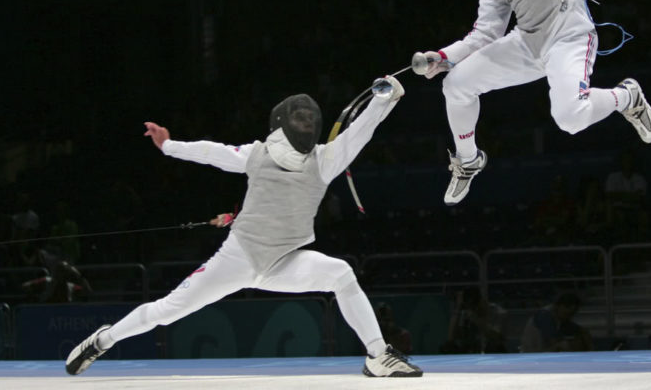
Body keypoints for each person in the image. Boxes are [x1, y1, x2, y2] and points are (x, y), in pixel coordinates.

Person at [65, 77, 422, 378]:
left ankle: (378, 356)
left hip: (284, 261)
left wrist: (386, 98)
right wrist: (169, 146)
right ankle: (103, 340)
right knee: (168, 309)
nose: (302, 126)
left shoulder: (325, 160)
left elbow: (362, 130)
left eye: (306, 122)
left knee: (340, 273)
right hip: (238, 258)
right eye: (297, 121)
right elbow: (211, 152)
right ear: (283, 124)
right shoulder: (258, 154)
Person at [414, 0, 651, 205]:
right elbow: (487, 31)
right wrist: (445, 57)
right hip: (528, 41)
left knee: (570, 117)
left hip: (567, 31)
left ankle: (626, 97)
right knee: (456, 84)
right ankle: (469, 159)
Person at [520, 292, 593, 353]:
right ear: (559, 306)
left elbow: (579, 330)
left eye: (572, 314)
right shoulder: (544, 316)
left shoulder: (559, 315)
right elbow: (553, 342)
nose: (569, 317)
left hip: (544, 352)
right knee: (566, 345)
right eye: (567, 314)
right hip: (532, 354)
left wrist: (583, 332)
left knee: (582, 334)